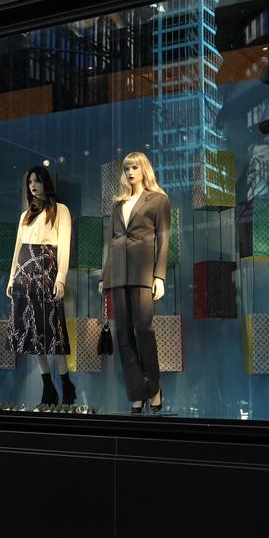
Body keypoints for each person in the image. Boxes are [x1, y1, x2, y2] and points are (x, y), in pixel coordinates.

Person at [99, 152, 170, 414]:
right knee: (123, 335)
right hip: (117, 273)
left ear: (144, 170)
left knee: (144, 330)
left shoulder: (159, 200)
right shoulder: (118, 204)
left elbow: (164, 239)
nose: (130, 172)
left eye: (134, 167)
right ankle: (136, 393)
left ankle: (154, 387)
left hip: (142, 272)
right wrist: (105, 276)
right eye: (126, 168)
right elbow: (112, 242)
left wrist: (159, 275)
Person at [5, 165, 75, 408]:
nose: (33, 185)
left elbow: (64, 246)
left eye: (37, 181)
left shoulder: (60, 210)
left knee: (51, 330)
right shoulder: (25, 216)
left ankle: (66, 382)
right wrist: (11, 278)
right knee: (30, 332)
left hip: (46, 268)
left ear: (46, 183)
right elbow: (17, 249)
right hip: (24, 271)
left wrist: (61, 277)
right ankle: (47, 385)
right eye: (29, 182)